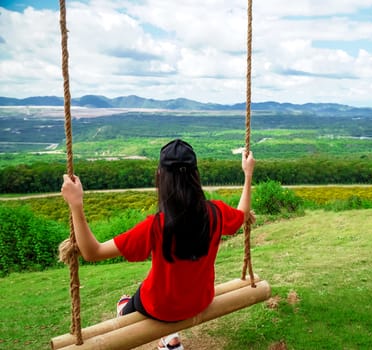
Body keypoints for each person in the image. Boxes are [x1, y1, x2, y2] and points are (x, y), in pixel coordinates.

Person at [61, 139, 256, 350]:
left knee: (132, 303)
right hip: (200, 299)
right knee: (153, 292)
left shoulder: (155, 227)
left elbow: (92, 252)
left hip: (160, 307)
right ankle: (171, 340)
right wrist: (247, 174)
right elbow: (243, 215)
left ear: (161, 176)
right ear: (196, 176)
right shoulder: (216, 213)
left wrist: (76, 205)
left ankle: (126, 310)